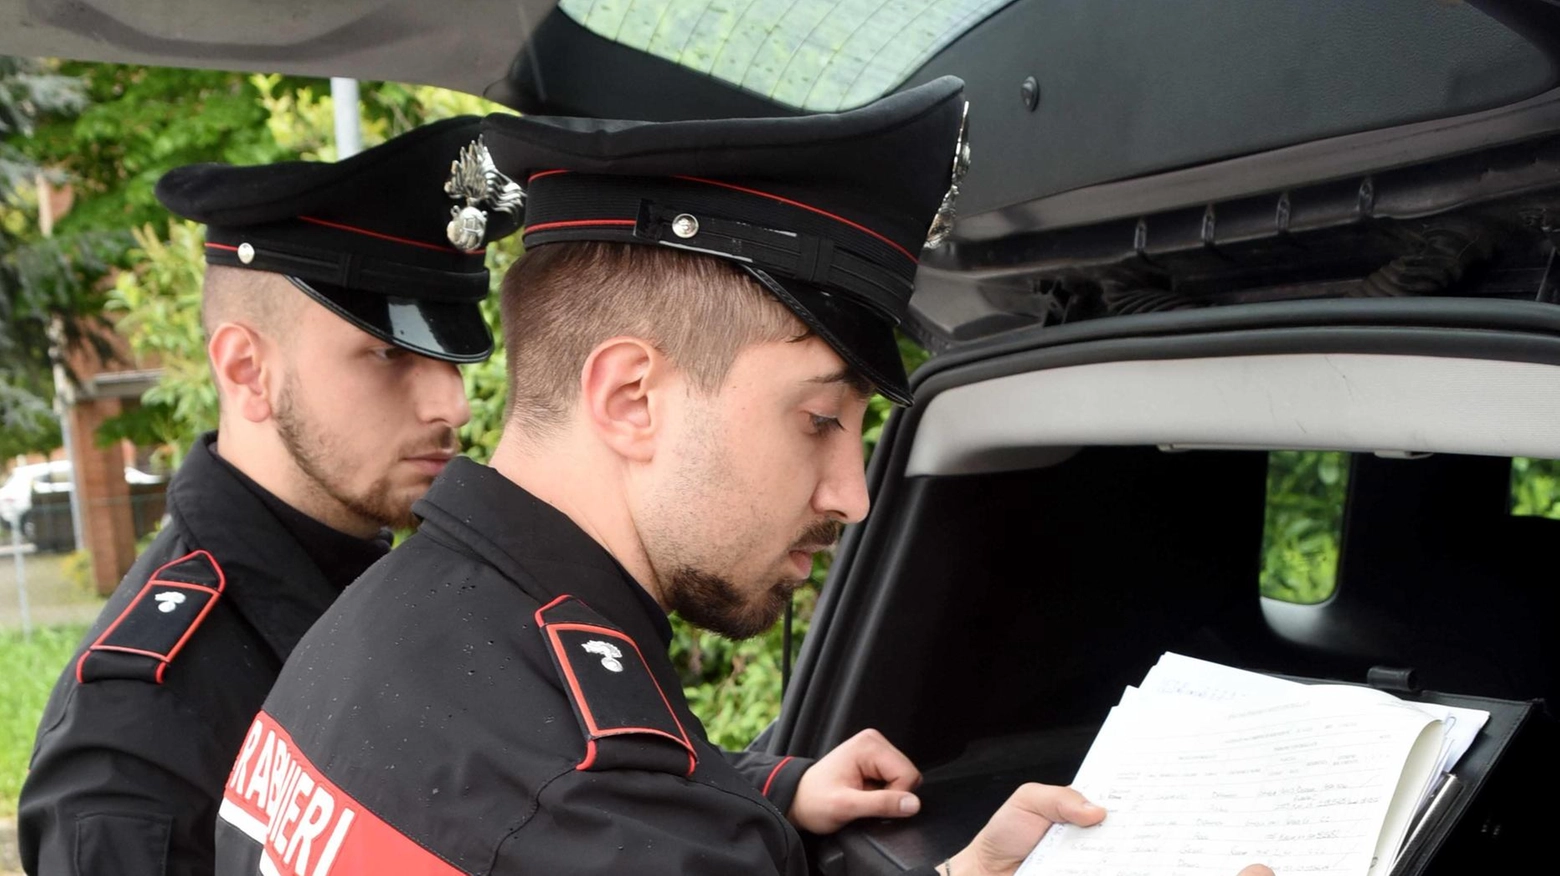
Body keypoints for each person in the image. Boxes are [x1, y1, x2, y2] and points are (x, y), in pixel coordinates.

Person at [213, 80, 1272, 876]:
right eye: (818, 419)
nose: (853, 495)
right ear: (631, 397)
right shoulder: (587, 803)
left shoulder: (389, 629)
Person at [19, 115, 520, 876]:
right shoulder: (143, 728)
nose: (452, 406)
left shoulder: (415, 599)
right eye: (388, 352)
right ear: (247, 370)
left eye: (452, 359)